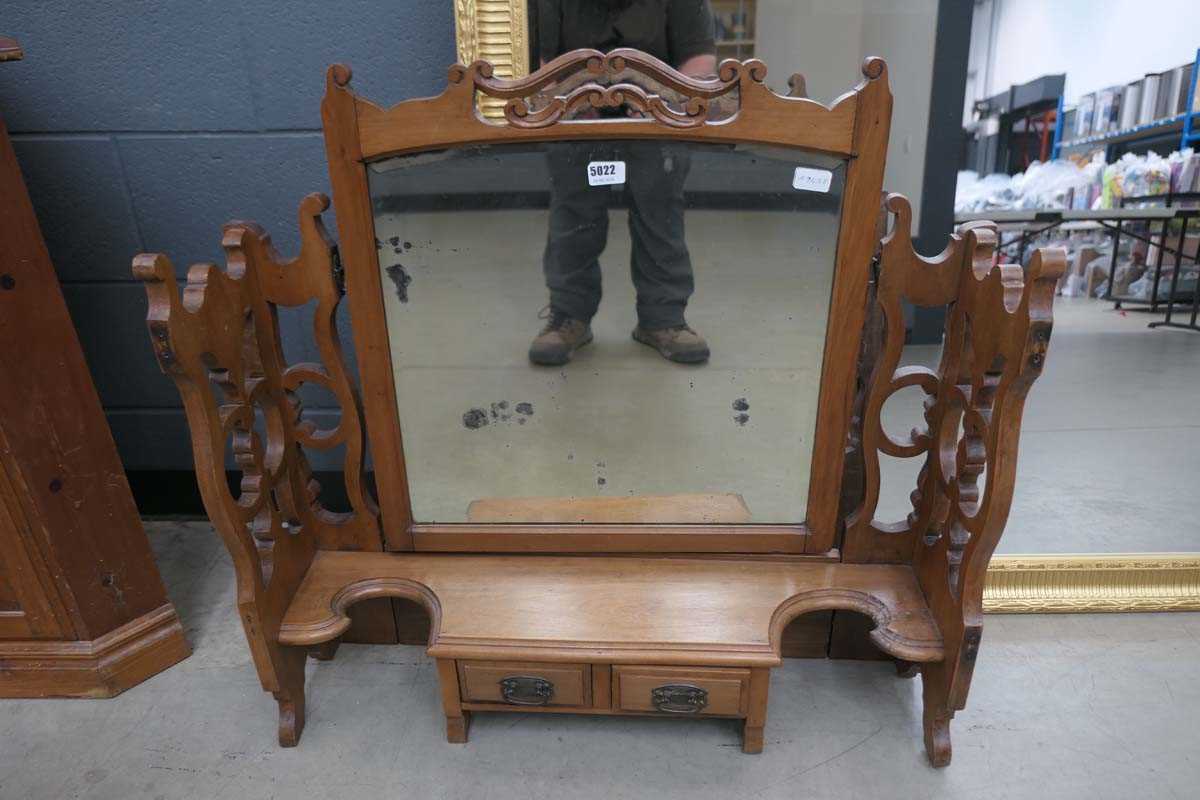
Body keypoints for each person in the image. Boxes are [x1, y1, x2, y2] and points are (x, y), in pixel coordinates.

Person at [528, 0, 717, 366]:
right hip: (575, 117)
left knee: (661, 218)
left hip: (658, 118)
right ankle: (569, 318)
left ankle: (663, 321)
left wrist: (662, 102)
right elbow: (544, 67)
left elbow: (699, 62)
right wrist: (572, 103)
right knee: (573, 218)